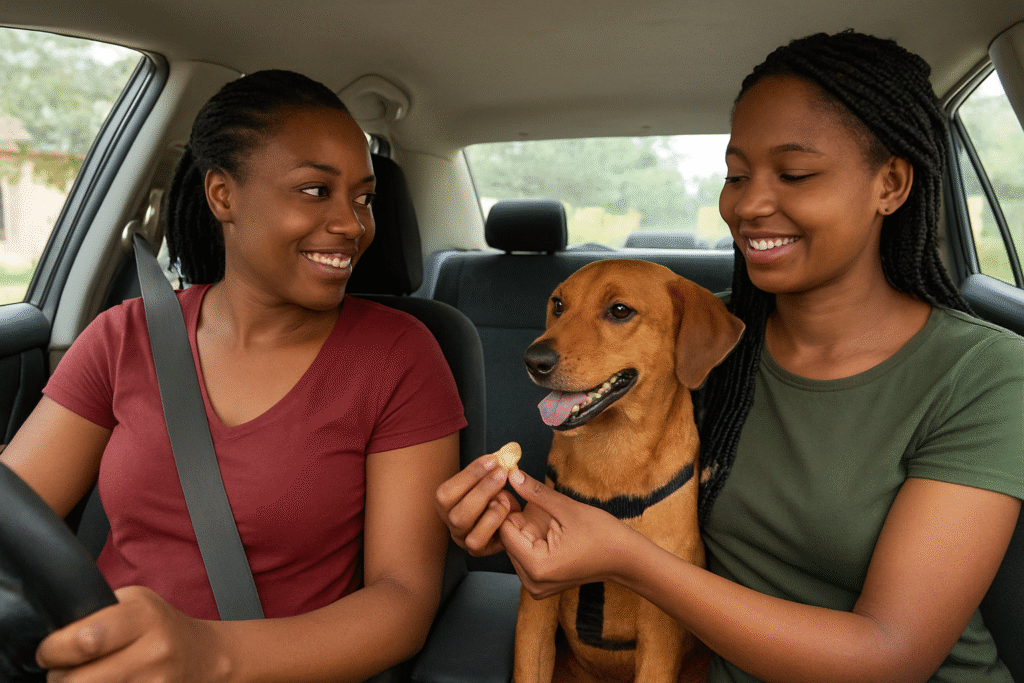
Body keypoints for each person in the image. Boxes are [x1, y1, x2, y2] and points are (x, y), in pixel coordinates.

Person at [436, 31, 1023, 682]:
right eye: (736, 175)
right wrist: (508, 525)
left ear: (890, 183)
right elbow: (592, 493)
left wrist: (627, 557)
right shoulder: (695, 336)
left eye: (794, 174)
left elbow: (891, 653)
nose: (748, 204)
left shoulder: (983, 373)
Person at [1, 69, 465, 682]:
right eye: (315, 191)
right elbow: (13, 518)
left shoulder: (400, 355)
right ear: (223, 195)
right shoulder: (124, 336)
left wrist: (211, 655)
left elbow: (402, 600)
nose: (353, 224)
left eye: (363, 198)